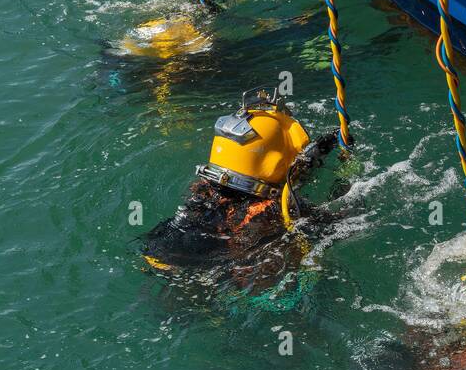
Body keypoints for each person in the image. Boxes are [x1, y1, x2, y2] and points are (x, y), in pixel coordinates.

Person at [142, 88, 338, 283]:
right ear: (274, 163)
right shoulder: (269, 210)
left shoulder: (203, 189)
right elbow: (337, 224)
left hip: (158, 253)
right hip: (227, 276)